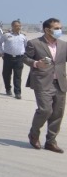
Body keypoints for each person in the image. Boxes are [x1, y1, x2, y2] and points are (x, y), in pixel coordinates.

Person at [22, 18, 67, 153]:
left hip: (60, 83)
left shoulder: (64, 45)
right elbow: (24, 57)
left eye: (60, 28)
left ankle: (51, 142)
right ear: (47, 30)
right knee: (45, 110)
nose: (59, 30)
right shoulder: (34, 43)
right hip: (42, 82)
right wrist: (36, 63)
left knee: (57, 113)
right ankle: (34, 134)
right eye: (56, 28)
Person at [0, 20, 27, 98]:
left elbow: (26, 46)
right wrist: (1, 52)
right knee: (6, 74)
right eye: (16, 26)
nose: (18, 27)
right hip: (8, 57)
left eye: (19, 26)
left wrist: (24, 54)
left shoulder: (23, 36)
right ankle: (8, 89)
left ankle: (17, 93)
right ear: (12, 26)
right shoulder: (7, 35)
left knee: (17, 76)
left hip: (19, 58)